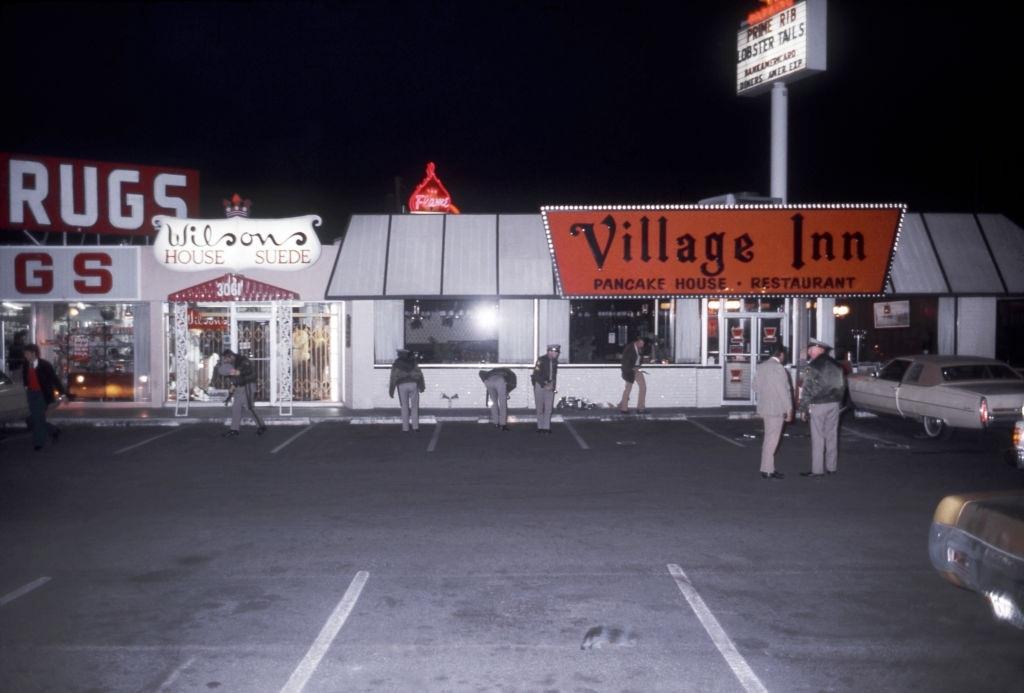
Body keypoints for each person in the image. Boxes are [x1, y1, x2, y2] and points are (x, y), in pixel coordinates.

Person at [798, 338, 847, 477]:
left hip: (818, 404)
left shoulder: (813, 366)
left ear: (819, 349)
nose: (809, 352)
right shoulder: (837, 365)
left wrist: (803, 409)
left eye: (810, 349)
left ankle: (817, 470)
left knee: (818, 437)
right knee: (832, 436)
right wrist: (840, 403)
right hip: (834, 404)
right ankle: (831, 467)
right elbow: (842, 386)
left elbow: (807, 388)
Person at [753, 345, 793, 480]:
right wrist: (789, 408)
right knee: (772, 440)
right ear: (780, 354)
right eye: (784, 355)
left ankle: (766, 468)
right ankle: (767, 470)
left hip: (765, 407)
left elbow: (755, 387)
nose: (785, 357)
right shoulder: (778, 368)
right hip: (776, 408)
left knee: (769, 438)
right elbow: (783, 391)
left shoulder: (761, 366)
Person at [21, 344, 69, 451]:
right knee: (34, 418)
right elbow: (25, 376)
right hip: (31, 393)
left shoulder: (44, 365)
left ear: (33, 353)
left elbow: (54, 379)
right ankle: (53, 430)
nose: (25, 356)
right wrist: (26, 386)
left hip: (42, 394)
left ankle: (38, 442)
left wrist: (63, 394)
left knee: (37, 418)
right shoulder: (25, 364)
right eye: (25, 354)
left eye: (27, 353)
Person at [218, 349, 266, 437]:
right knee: (236, 408)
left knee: (249, 408)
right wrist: (233, 385)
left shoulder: (243, 360)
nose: (225, 361)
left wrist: (239, 372)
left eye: (226, 359)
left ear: (231, 356)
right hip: (239, 387)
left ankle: (261, 426)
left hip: (248, 386)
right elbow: (235, 377)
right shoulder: (230, 364)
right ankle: (234, 429)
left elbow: (251, 372)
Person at [389, 348, 425, 432]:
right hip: (413, 384)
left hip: (402, 385)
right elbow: (419, 374)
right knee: (414, 406)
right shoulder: (413, 362)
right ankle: (415, 427)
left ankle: (405, 428)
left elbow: (393, 377)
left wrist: (391, 390)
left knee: (404, 406)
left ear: (399, 355)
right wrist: (421, 386)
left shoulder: (396, 363)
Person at [531, 344, 559, 433]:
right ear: (550, 352)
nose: (557, 354)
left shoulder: (555, 361)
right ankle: (540, 427)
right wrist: (544, 384)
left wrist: (553, 386)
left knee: (548, 408)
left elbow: (553, 375)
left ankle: (546, 428)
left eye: (557, 352)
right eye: (556, 352)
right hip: (540, 385)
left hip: (550, 386)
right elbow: (536, 374)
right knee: (539, 408)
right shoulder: (541, 360)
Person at [618, 336, 647, 414]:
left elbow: (639, 358)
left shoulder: (640, 349)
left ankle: (640, 408)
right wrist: (631, 369)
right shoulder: (629, 348)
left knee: (643, 387)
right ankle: (624, 408)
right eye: (641, 343)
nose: (642, 345)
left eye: (643, 344)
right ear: (637, 342)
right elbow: (625, 362)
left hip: (637, 369)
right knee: (628, 389)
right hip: (629, 370)